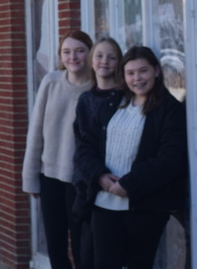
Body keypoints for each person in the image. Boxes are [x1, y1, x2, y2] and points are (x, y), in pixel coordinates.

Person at [76, 45, 187, 269]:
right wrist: (100, 176)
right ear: (123, 75)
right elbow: (85, 146)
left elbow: (170, 159)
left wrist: (129, 184)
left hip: (145, 206)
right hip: (104, 202)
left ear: (156, 71)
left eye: (143, 71)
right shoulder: (112, 103)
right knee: (104, 264)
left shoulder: (170, 109)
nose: (137, 78)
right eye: (130, 73)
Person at [22, 29, 94, 269]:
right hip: (50, 176)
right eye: (67, 52)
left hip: (81, 181)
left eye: (80, 51)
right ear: (60, 55)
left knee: (82, 246)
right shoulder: (51, 82)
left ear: (90, 52)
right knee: (56, 246)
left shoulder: (98, 87)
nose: (73, 57)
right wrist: (30, 178)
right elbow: (35, 132)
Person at [73, 38, 125, 269]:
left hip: (122, 185)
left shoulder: (126, 97)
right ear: (91, 62)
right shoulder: (85, 100)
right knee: (88, 255)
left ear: (119, 62)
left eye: (112, 57)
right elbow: (82, 145)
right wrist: (98, 176)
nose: (105, 61)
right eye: (100, 56)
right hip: (92, 187)